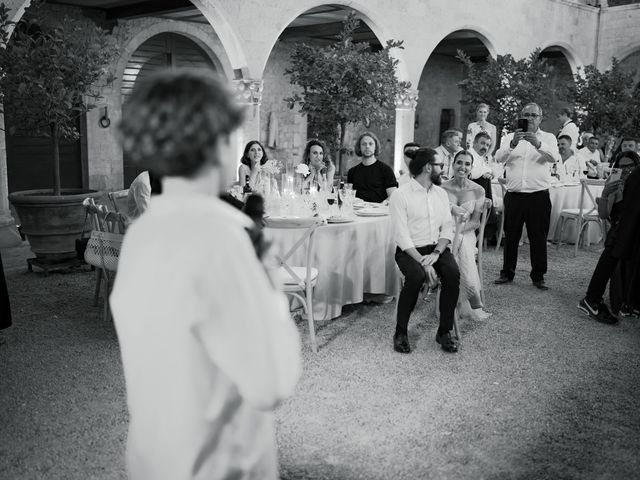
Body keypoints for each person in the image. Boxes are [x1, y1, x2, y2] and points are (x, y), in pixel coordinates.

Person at [111, 70, 301, 480]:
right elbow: (271, 382)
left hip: (153, 453)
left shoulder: (143, 232)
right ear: (215, 141)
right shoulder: (225, 237)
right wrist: (267, 279)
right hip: (218, 461)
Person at [389, 147, 460, 354]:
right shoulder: (400, 195)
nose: (443, 169)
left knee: (452, 273)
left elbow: (447, 228)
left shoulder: (440, 194)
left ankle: (444, 332)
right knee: (416, 276)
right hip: (409, 250)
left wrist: (436, 254)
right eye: (440, 165)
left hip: (435, 248)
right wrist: (423, 261)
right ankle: (401, 331)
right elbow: (401, 236)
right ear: (428, 167)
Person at [494, 103, 560, 290]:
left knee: (538, 237)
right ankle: (507, 272)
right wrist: (513, 144)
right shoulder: (509, 137)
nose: (530, 118)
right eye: (526, 115)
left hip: (538, 195)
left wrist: (537, 144)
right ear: (520, 116)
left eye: (533, 115)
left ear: (540, 118)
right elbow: (499, 157)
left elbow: (553, 157)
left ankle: (538, 276)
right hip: (514, 195)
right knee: (511, 236)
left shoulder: (548, 138)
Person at [578, 151, 640, 323]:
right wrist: (606, 194)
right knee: (611, 259)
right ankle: (594, 300)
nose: (626, 170)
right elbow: (604, 215)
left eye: (630, 166)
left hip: (631, 235)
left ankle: (629, 303)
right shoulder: (615, 185)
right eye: (622, 167)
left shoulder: (635, 185)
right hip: (620, 233)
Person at [442, 150, 491, 320]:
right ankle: (472, 292)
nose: (462, 167)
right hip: (443, 234)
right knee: (457, 242)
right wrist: (450, 232)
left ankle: (467, 291)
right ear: (453, 165)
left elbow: (476, 222)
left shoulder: (478, 190)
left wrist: (457, 231)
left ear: (471, 168)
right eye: (459, 162)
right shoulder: (441, 187)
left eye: (467, 164)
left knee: (460, 241)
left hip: (466, 232)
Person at [347, 131, 398, 203]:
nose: (367, 146)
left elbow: (393, 195)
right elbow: (348, 196)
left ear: (375, 147)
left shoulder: (386, 170)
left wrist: (382, 205)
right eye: (364, 144)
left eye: (370, 144)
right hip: (357, 211)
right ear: (359, 148)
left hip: (379, 211)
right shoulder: (352, 172)